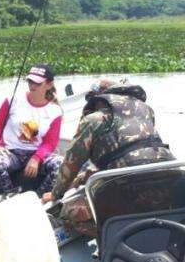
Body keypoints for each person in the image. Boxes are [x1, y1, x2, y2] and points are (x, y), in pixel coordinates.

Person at [43, 82, 174, 204]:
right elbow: (128, 150)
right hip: (169, 176)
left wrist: (55, 195)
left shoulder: (94, 119)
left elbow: (71, 163)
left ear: (99, 99)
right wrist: (82, 178)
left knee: (70, 211)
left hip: (129, 186)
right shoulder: (146, 111)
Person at [0, 64, 63, 195]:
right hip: (12, 152)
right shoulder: (13, 100)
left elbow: (50, 142)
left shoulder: (55, 111)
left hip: (36, 152)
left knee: (61, 165)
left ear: (49, 85)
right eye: (30, 81)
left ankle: (39, 198)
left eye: (37, 83)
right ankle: (10, 197)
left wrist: (37, 158)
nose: (32, 86)